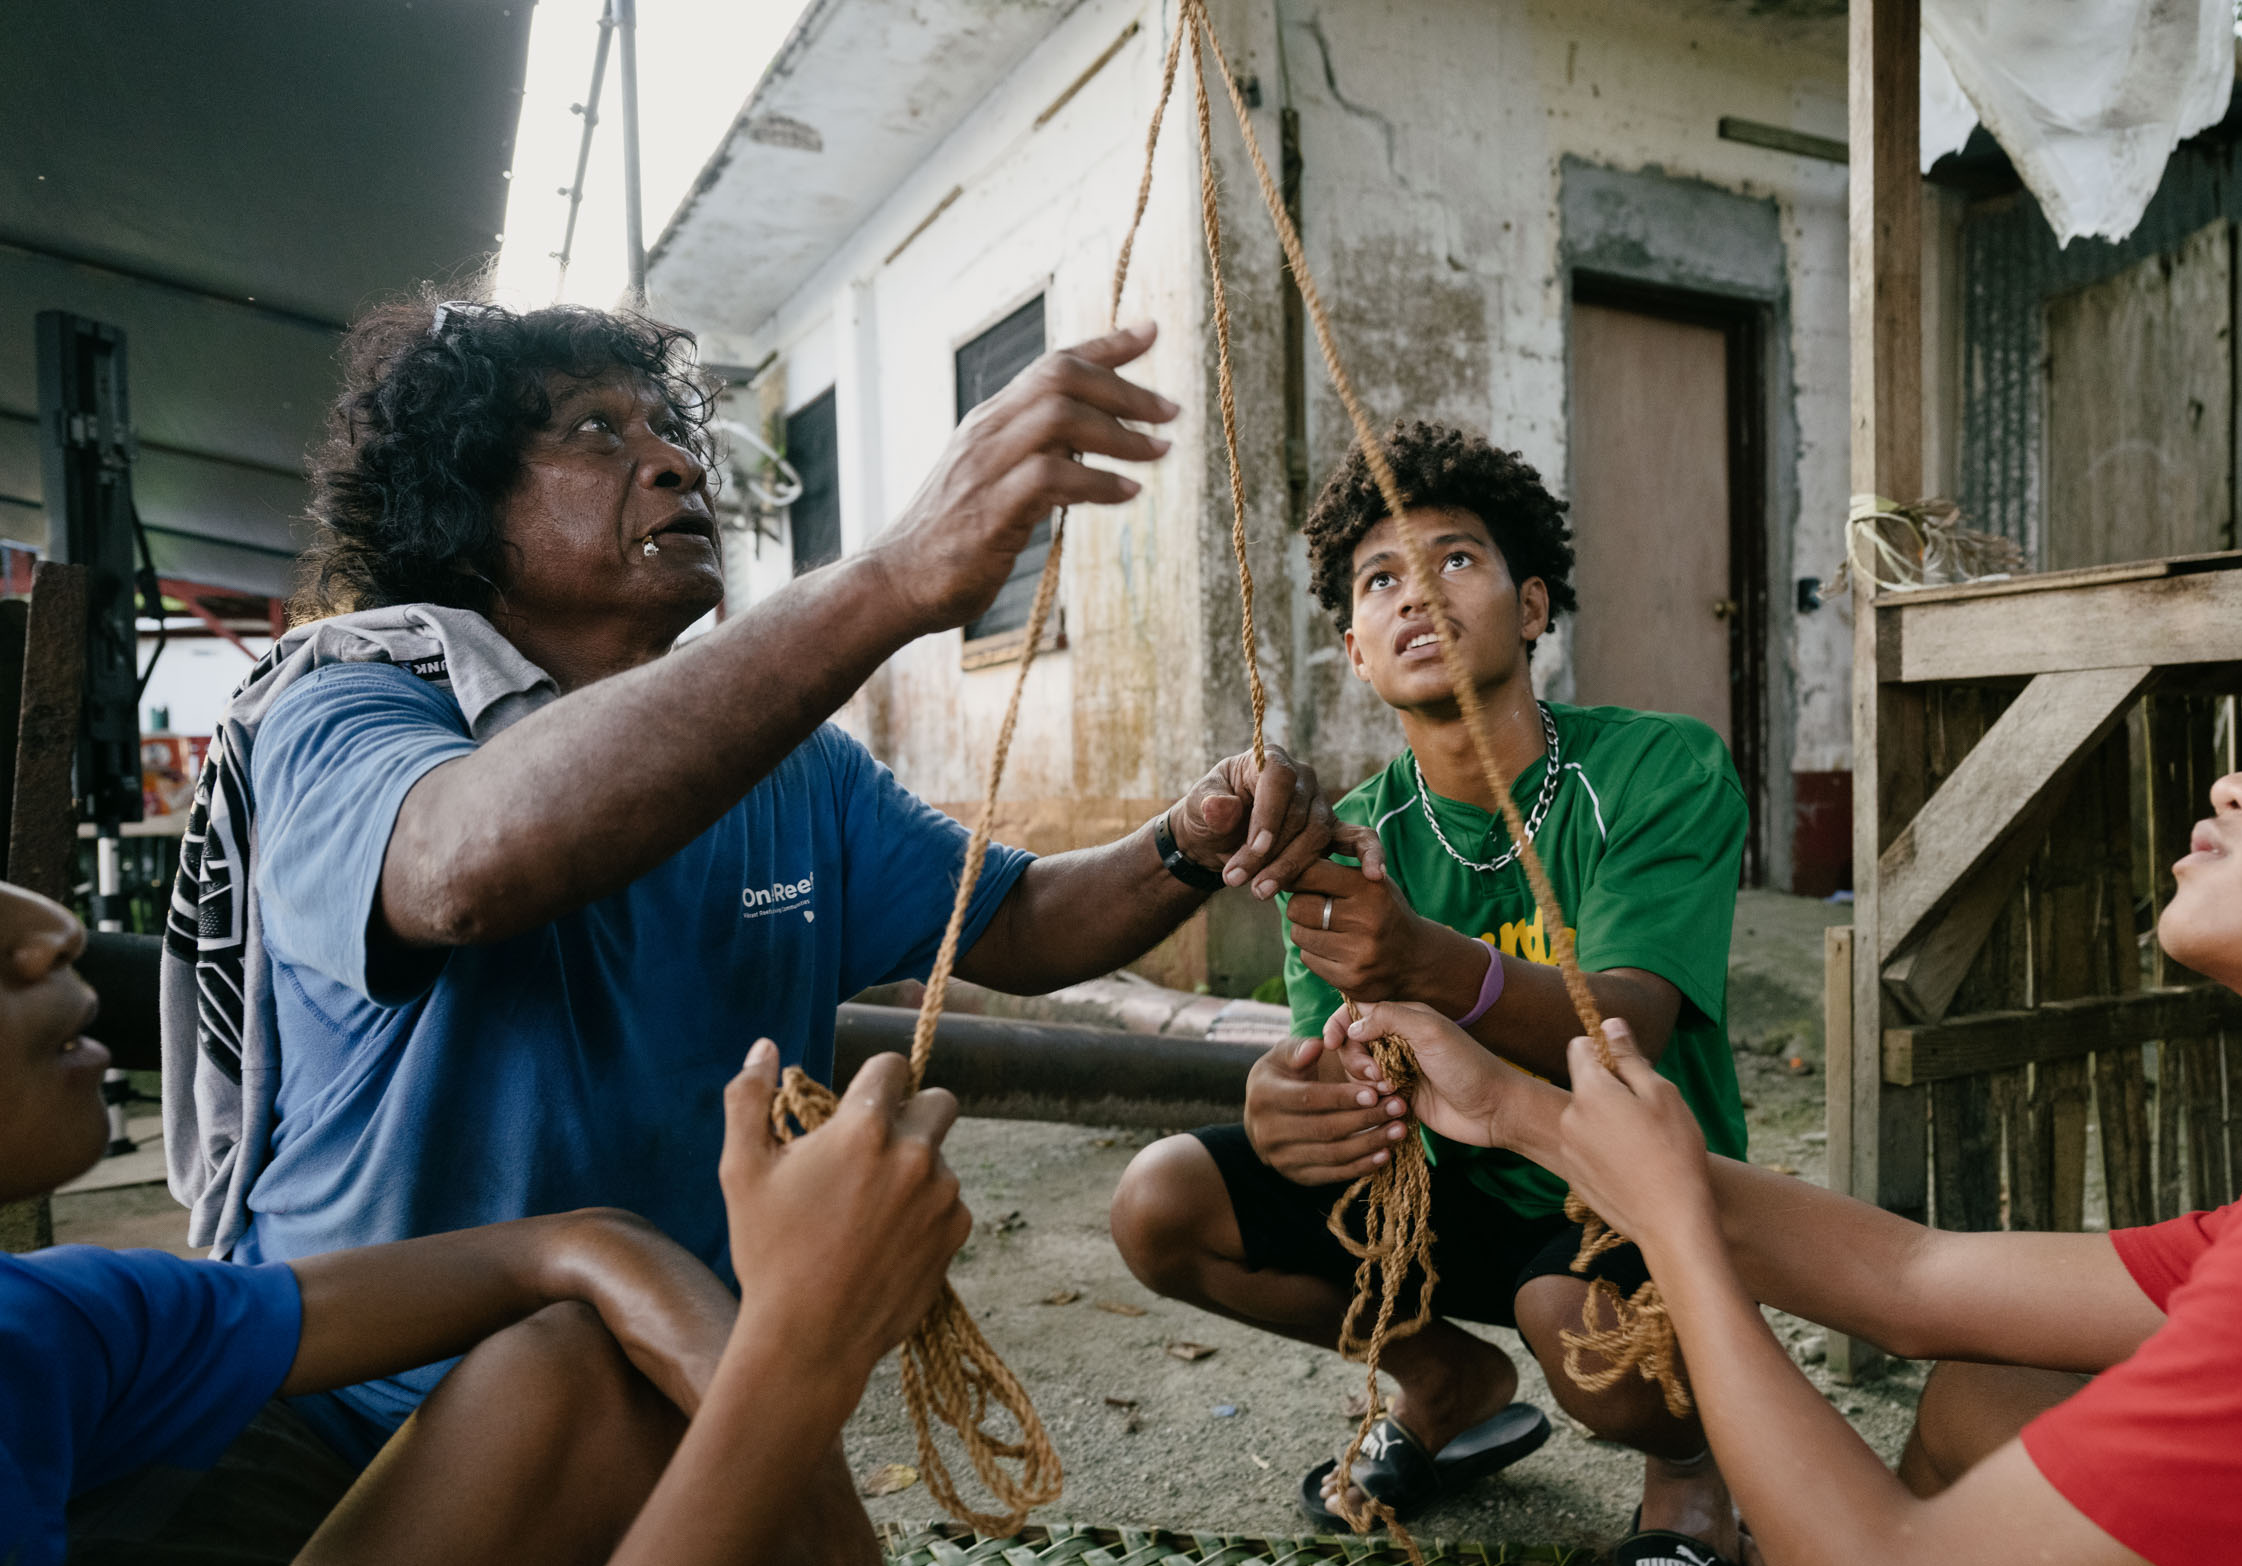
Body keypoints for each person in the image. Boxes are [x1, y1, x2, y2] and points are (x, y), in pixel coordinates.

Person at [164, 296, 1371, 1481]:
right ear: (461, 502)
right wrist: (893, 577)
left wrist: (1186, 842)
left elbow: (1014, 922)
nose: (675, 463)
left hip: (668, 1402)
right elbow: (458, 870)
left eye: (666, 430)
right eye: (597, 430)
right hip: (354, 1431)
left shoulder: (788, 764)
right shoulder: (350, 704)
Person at [1332, 602, 2242, 1566]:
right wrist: (1514, 1111)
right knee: (1977, 1398)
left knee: (1909, 1565)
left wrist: (1679, 1239)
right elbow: (1913, 1274)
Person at [1111, 422, 1758, 1566]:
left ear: (1528, 605)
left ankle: (1691, 1470)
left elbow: (1624, 1018)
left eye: (1454, 561)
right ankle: (1448, 1384)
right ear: (1356, 650)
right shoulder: (1348, 836)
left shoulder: (1657, 765)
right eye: (1379, 582)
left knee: (1587, 1337)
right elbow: (1340, 1057)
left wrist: (1422, 961)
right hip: (1440, 1192)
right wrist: (1295, 1103)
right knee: (1161, 1201)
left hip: (1620, 1189)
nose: (1416, 594)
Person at [3, 878, 974, 1566]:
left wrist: (813, 1500)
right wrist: (798, 1354)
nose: (48, 927)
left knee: (586, 1368)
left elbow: (582, 1245)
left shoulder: (45, 1319)